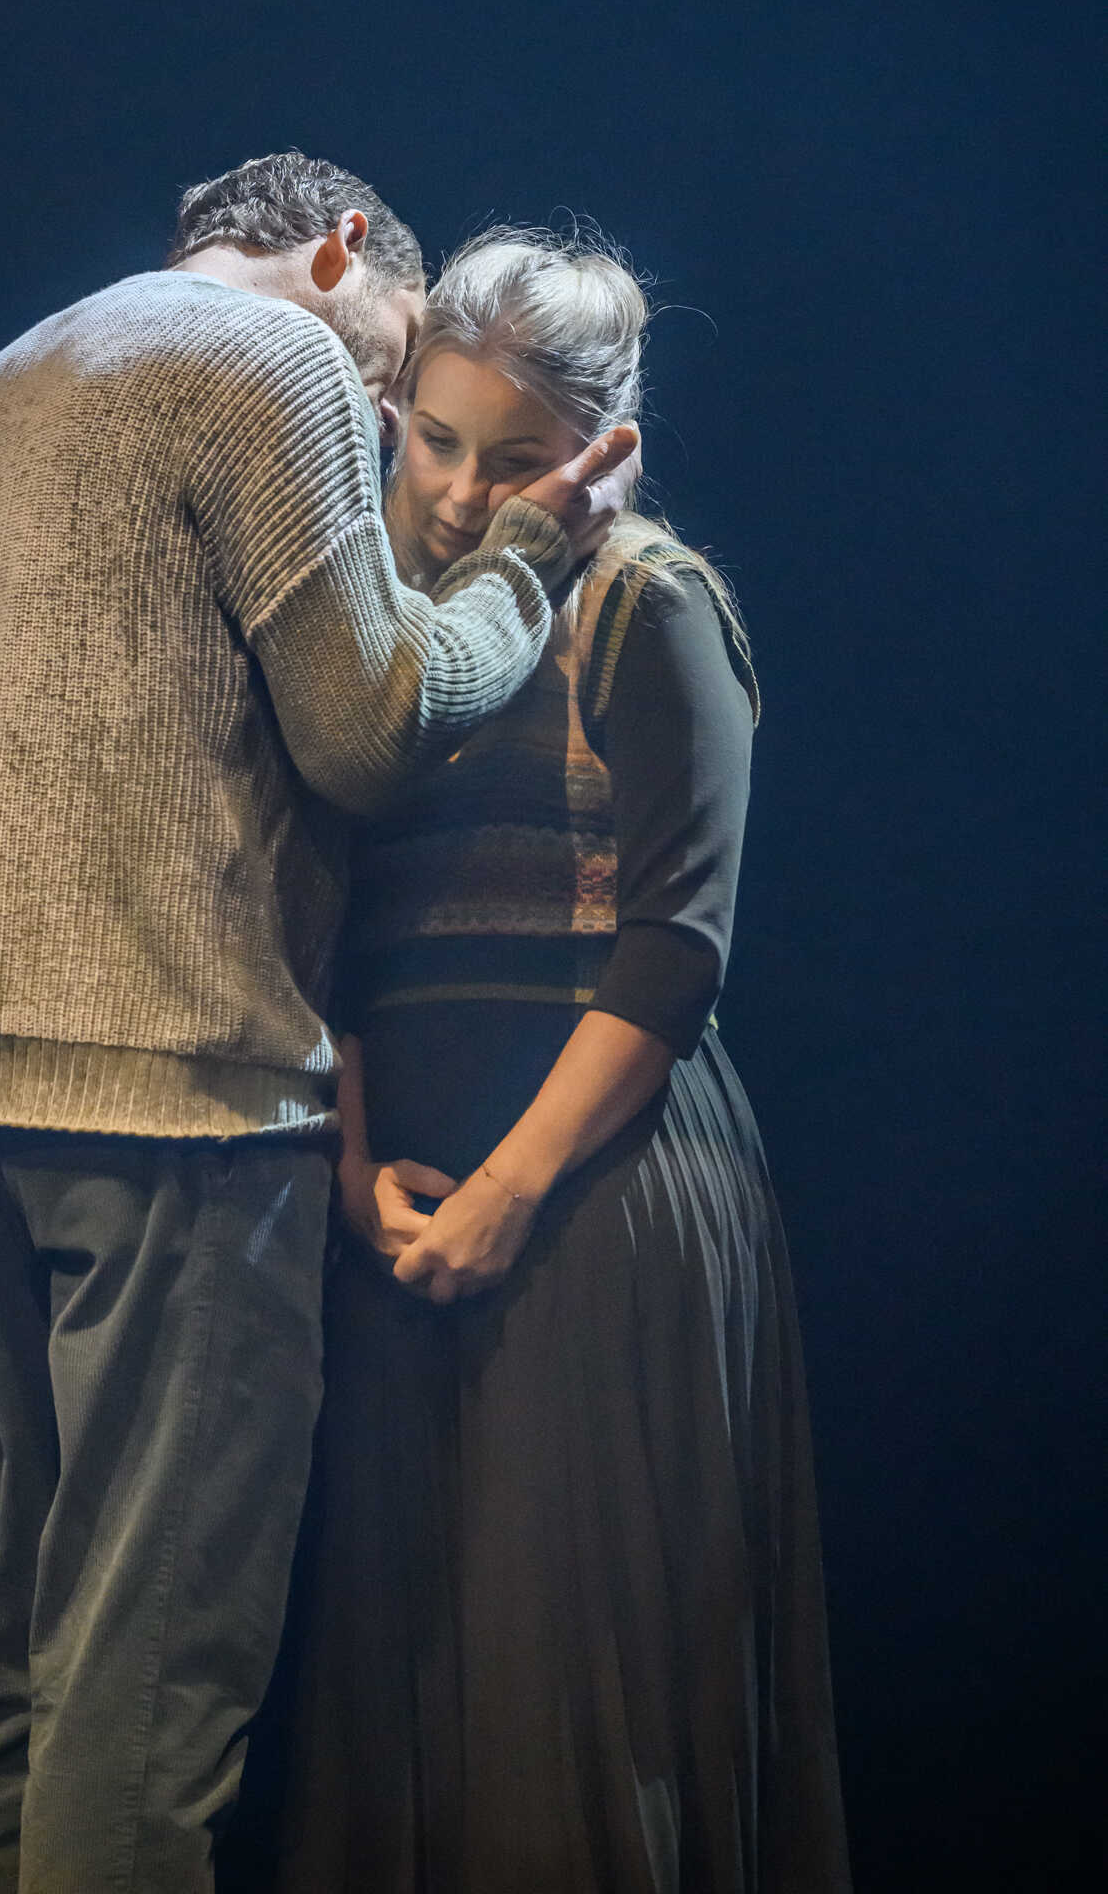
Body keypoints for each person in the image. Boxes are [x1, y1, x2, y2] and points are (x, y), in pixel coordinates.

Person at [0, 156, 640, 1894]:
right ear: (343, 254)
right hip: (179, 1106)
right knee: (150, 1695)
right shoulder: (264, 358)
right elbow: (369, 729)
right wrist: (521, 558)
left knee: (41, 1647)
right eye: (391, 374)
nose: (377, 426)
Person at [265, 228, 851, 1894]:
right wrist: (349, 1174)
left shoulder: (646, 605)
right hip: (395, 1207)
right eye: (434, 439)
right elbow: (326, 931)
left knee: (563, 1701)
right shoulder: (370, 623)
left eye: (516, 459)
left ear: (604, 449)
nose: (461, 492)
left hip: (596, 1192)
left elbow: (678, 950)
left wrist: (511, 1195)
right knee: (404, 1694)